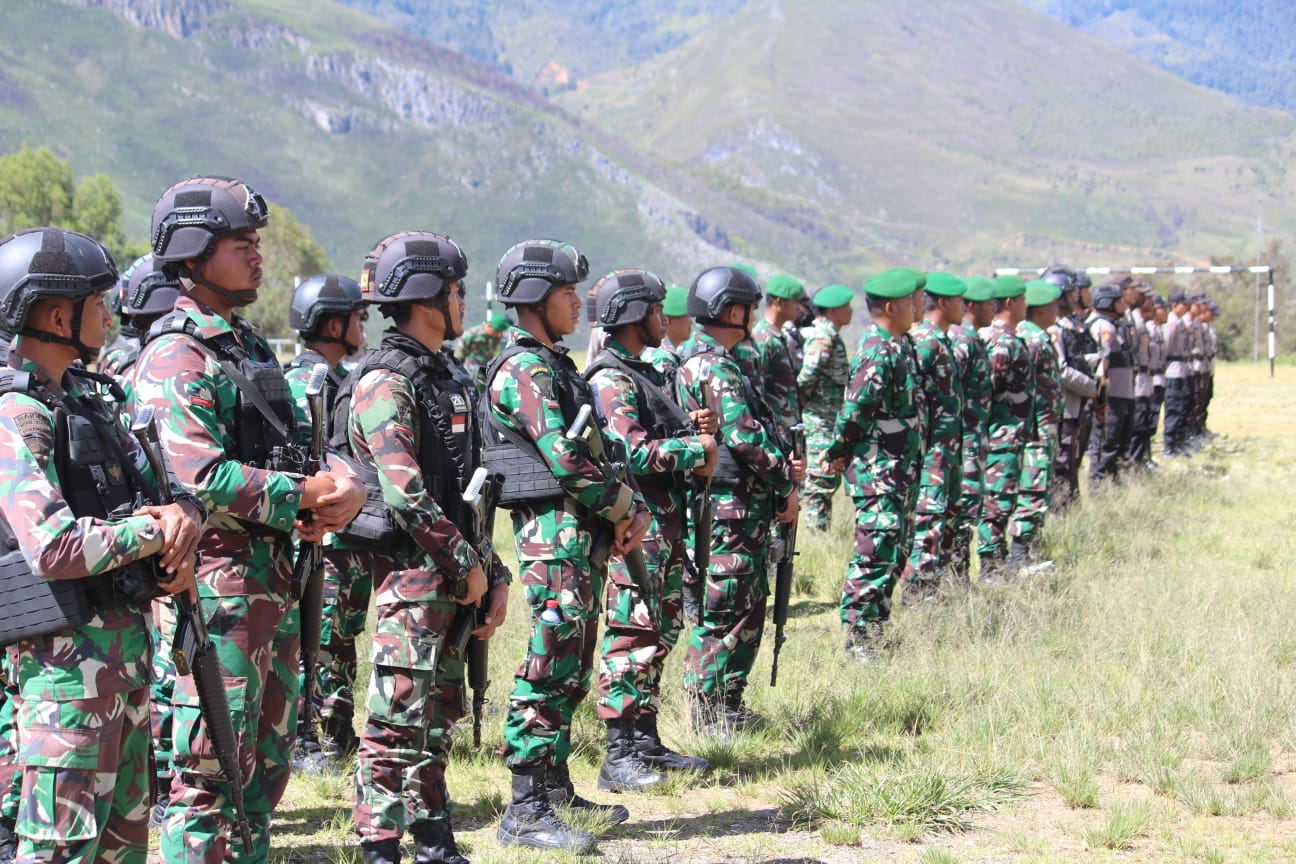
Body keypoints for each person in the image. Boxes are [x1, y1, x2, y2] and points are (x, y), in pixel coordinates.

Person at [132, 175, 365, 862]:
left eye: (257, 242)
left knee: (262, 776)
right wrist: (304, 494)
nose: (258, 256)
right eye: (242, 243)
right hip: (214, 592)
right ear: (195, 253)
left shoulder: (249, 350)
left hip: (273, 583)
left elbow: (304, 451)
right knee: (209, 778)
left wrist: (340, 491)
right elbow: (197, 474)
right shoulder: (177, 353)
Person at [0, 227, 203, 864]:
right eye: (99, 302)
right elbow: (53, 546)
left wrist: (183, 522)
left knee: (123, 849)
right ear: (58, 315)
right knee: (60, 851)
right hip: (64, 681)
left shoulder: (88, 402)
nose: (111, 314)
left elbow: (158, 494)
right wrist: (156, 530)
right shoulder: (16, 414)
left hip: (124, 669)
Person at [344, 232, 508, 864]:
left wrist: (492, 576)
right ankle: (379, 847)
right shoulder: (386, 380)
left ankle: (434, 840)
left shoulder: (449, 376)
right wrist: (465, 567)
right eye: (457, 289)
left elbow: (470, 494)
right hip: (412, 582)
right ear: (426, 294)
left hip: (453, 577)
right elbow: (405, 491)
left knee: (437, 722)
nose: (464, 301)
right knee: (395, 724)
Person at [483, 239, 650, 853]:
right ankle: (524, 807)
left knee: (574, 663)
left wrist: (625, 511)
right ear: (533, 297)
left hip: (578, 534)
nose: (579, 304)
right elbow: (570, 462)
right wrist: (627, 507)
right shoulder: (525, 368)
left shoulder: (552, 364)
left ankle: (553, 787)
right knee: (550, 660)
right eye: (567, 294)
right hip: (552, 538)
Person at [584, 269, 716, 788]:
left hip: (664, 522)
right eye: (658, 310)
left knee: (658, 631)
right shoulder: (610, 378)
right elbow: (629, 451)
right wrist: (696, 449)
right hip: (635, 525)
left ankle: (645, 738)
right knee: (631, 631)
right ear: (635, 315)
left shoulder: (645, 373)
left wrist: (694, 431)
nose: (666, 319)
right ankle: (619, 755)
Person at [675, 266, 797, 729]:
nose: (752, 316)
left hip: (733, 505)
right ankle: (708, 714)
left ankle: (726, 706)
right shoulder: (713, 365)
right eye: (747, 307)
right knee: (724, 607)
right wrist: (786, 483)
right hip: (728, 507)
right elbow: (744, 437)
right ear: (731, 310)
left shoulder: (706, 359)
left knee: (741, 604)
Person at [281, 274, 370, 771]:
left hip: (345, 534)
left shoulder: (338, 380)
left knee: (340, 634)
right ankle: (303, 738)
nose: (363, 326)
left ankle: (336, 729)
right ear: (333, 324)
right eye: (357, 317)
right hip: (318, 537)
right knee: (311, 635)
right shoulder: (305, 384)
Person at [824, 268, 922, 659]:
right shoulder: (876, 350)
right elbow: (855, 410)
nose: (919, 307)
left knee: (894, 550)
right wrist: (837, 452)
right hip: (876, 471)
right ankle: (857, 638)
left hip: (898, 470)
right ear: (890, 307)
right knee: (875, 550)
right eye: (912, 301)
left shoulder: (898, 345)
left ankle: (876, 628)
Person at [902, 273, 966, 600]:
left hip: (948, 449)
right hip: (932, 454)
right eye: (959, 301)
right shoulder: (925, 341)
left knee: (946, 520)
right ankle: (917, 592)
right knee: (929, 519)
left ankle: (933, 589)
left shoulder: (942, 340)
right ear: (943, 303)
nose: (964, 307)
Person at [975, 274, 1033, 578]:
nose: (1026, 306)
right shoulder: (999, 341)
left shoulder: (1010, 338)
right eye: (1022, 301)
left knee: (1005, 497)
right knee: (996, 501)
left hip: (1011, 435)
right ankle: (990, 566)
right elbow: (987, 393)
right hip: (999, 437)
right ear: (1010, 303)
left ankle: (999, 561)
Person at [1006, 281, 1063, 569]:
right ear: (1040, 309)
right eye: (1054, 305)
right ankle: (1019, 557)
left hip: (1041, 427)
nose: (1058, 310)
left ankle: (1026, 551)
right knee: (1033, 489)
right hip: (1035, 431)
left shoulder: (1035, 335)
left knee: (1037, 488)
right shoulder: (1034, 340)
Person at [796, 284, 853, 532]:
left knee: (825, 481)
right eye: (846, 306)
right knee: (819, 484)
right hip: (819, 420)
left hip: (826, 418)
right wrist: (807, 406)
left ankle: (821, 534)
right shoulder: (823, 337)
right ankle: (816, 536)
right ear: (833, 310)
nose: (851, 311)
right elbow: (806, 378)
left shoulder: (830, 334)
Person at [949, 276, 994, 582]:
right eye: (989, 304)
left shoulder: (972, 338)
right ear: (973, 306)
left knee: (968, 508)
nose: (993, 309)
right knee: (962, 508)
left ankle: (959, 573)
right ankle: (956, 575)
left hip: (971, 439)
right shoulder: (962, 341)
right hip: (960, 441)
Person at [1045, 267, 1098, 508]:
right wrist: (1092, 386)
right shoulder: (1054, 329)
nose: (1073, 298)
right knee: (1062, 465)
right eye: (1069, 293)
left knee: (1072, 463)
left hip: (1074, 406)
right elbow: (1062, 370)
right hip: (1062, 408)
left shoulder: (1067, 326)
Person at [1085, 282, 1135, 482]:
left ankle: (1113, 479)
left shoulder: (1115, 325)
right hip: (1111, 395)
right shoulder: (1103, 326)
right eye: (1119, 301)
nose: (1124, 304)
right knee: (1107, 440)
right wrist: (1101, 395)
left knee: (1118, 439)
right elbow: (1102, 363)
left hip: (1122, 392)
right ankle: (1099, 483)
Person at [750, 273, 805, 439]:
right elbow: (758, 393)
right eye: (795, 302)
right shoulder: (763, 339)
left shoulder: (776, 336)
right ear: (779, 302)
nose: (799, 308)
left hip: (788, 429)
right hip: (776, 433)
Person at [1162, 288, 1193, 457]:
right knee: (1173, 409)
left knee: (1180, 407)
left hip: (1181, 370)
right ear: (1174, 305)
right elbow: (1165, 348)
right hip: (1172, 371)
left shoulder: (1179, 322)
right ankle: (1169, 446)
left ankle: (1177, 442)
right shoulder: (1171, 323)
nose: (1187, 307)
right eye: (1184, 304)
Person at [455, 310, 511, 391]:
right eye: (497, 331)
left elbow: (495, 354)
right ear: (489, 326)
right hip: (470, 374)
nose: (499, 335)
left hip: (486, 374)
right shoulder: (471, 334)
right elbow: (458, 357)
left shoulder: (496, 338)